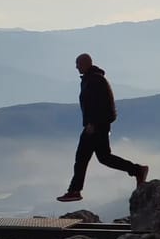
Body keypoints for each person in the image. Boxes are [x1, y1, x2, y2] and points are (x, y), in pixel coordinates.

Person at [57, 53, 149, 202]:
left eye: (78, 64)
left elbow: (100, 104)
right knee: (104, 157)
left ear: (86, 63)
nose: (76, 67)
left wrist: (92, 123)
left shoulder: (95, 80)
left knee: (82, 157)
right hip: (98, 125)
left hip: (95, 126)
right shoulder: (91, 79)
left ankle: (75, 190)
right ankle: (137, 170)